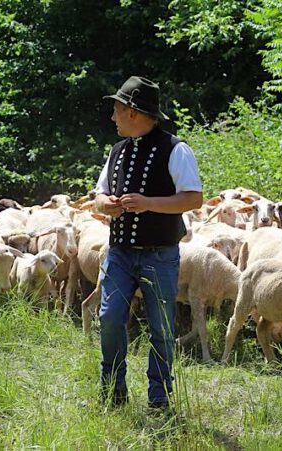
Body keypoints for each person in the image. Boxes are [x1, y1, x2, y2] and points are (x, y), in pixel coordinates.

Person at [93, 76, 203, 409]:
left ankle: (159, 396)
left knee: (161, 327)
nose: (112, 118)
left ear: (133, 112)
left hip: (160, 253)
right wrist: (107, 205)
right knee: (110, 317)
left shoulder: (176, 149)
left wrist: (148, 202)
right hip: (120, 253)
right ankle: (113, 390)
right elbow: (97, 196)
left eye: (116, 110)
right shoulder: (117, 151)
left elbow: (194, 199)